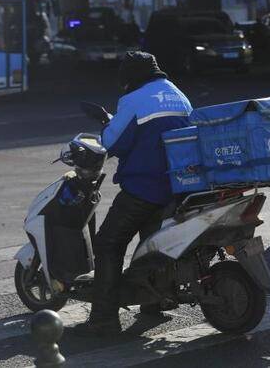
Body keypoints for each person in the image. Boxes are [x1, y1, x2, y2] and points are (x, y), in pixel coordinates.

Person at [74, 51, 193, 336]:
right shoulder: (179, 95)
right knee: (150, 245)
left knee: (108, 244)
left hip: (144, 188)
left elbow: (112, 143)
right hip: (177, 188)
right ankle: (153, 302)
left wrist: (109, 125)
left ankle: (103, 318)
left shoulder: (134, 99)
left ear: (130, 77)